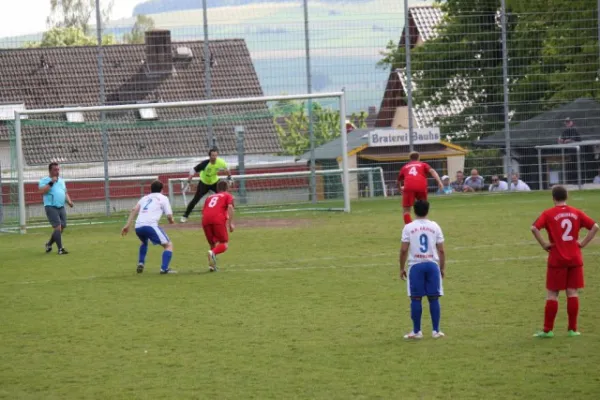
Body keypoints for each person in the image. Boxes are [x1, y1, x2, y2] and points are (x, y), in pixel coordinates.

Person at [530, 186, 598, 338]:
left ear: (553, 198)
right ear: (567, 196)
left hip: (557, 259)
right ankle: (572, 329)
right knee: (572, 292)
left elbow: (534, 228)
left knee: (552, 293)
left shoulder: (548, 213)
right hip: (575, 257)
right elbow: (595, 227)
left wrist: (544, 244)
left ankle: (548, 330)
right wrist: (583, 243)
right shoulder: (576, 212)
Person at [400, 200, 446, 340]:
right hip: (432, 265)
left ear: (414, 211)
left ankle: (417, 331)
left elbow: (403, 250)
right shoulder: (435, 226)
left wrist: (401, 268)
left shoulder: (408, 227)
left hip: (416, 266)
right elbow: (442, 250)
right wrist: (442, 268)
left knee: (415, 298)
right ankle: (436, 331)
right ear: (428, 210)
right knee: (434, 298)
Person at [121, 180, 176, 274]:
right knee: (168, 245)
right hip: (150, 225)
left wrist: (127, 225)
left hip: (138, 226)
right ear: (162, 190)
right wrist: (171, 221)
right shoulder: (163, 198)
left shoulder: (145, 198)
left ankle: (141, 263)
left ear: (150, 189)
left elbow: (134, 209)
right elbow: (169, 215)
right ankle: (164, 269)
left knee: (144, 242)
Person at [180, 148, 232, 223]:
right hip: (204, 183)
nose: (214, 157)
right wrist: (188, 182)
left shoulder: (221, 162)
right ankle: (185, 216)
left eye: (215, 155)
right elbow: (193, 170)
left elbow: (227, 169)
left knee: (224, 197)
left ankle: (226, 214)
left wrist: (229, 178)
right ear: (209, 156)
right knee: (195, 200)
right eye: (212, 155)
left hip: (215, 182)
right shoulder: (204, 164)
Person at [397, 152, 444, 224]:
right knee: (422, 208)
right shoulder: (423, 164)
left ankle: (409, 227)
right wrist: (439, 181)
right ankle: (423, 226)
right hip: (421, 186)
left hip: (409, 187)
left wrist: (399, 188)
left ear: (410, 159)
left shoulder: (405, 167)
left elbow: (398, 180)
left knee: (406, 210)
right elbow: (432, 171)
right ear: (419, 158)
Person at [39, 162, 73, 255]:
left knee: (63, 226)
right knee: (58, 227)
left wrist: (69, 201)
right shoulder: (44, 180)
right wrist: (51, 182)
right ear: (50, 170)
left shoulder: (61, 181)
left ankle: (48, 244)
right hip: (50, 206)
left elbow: (65, 192)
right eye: (55, 170)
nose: (57, 171)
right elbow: (42, 191)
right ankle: (60, 249)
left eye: (58, 169)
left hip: (61, 206)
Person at [202, 180, 235, 272]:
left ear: (217, 188)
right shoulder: (227, 195)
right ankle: (212, 253)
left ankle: (212, 266)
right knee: (224, 243)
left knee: (212, 243)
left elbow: (205, 210)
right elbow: (230, 207)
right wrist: (231, 223)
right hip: (218, 219)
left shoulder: (209, 197)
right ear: (227, 188)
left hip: (205, 220)